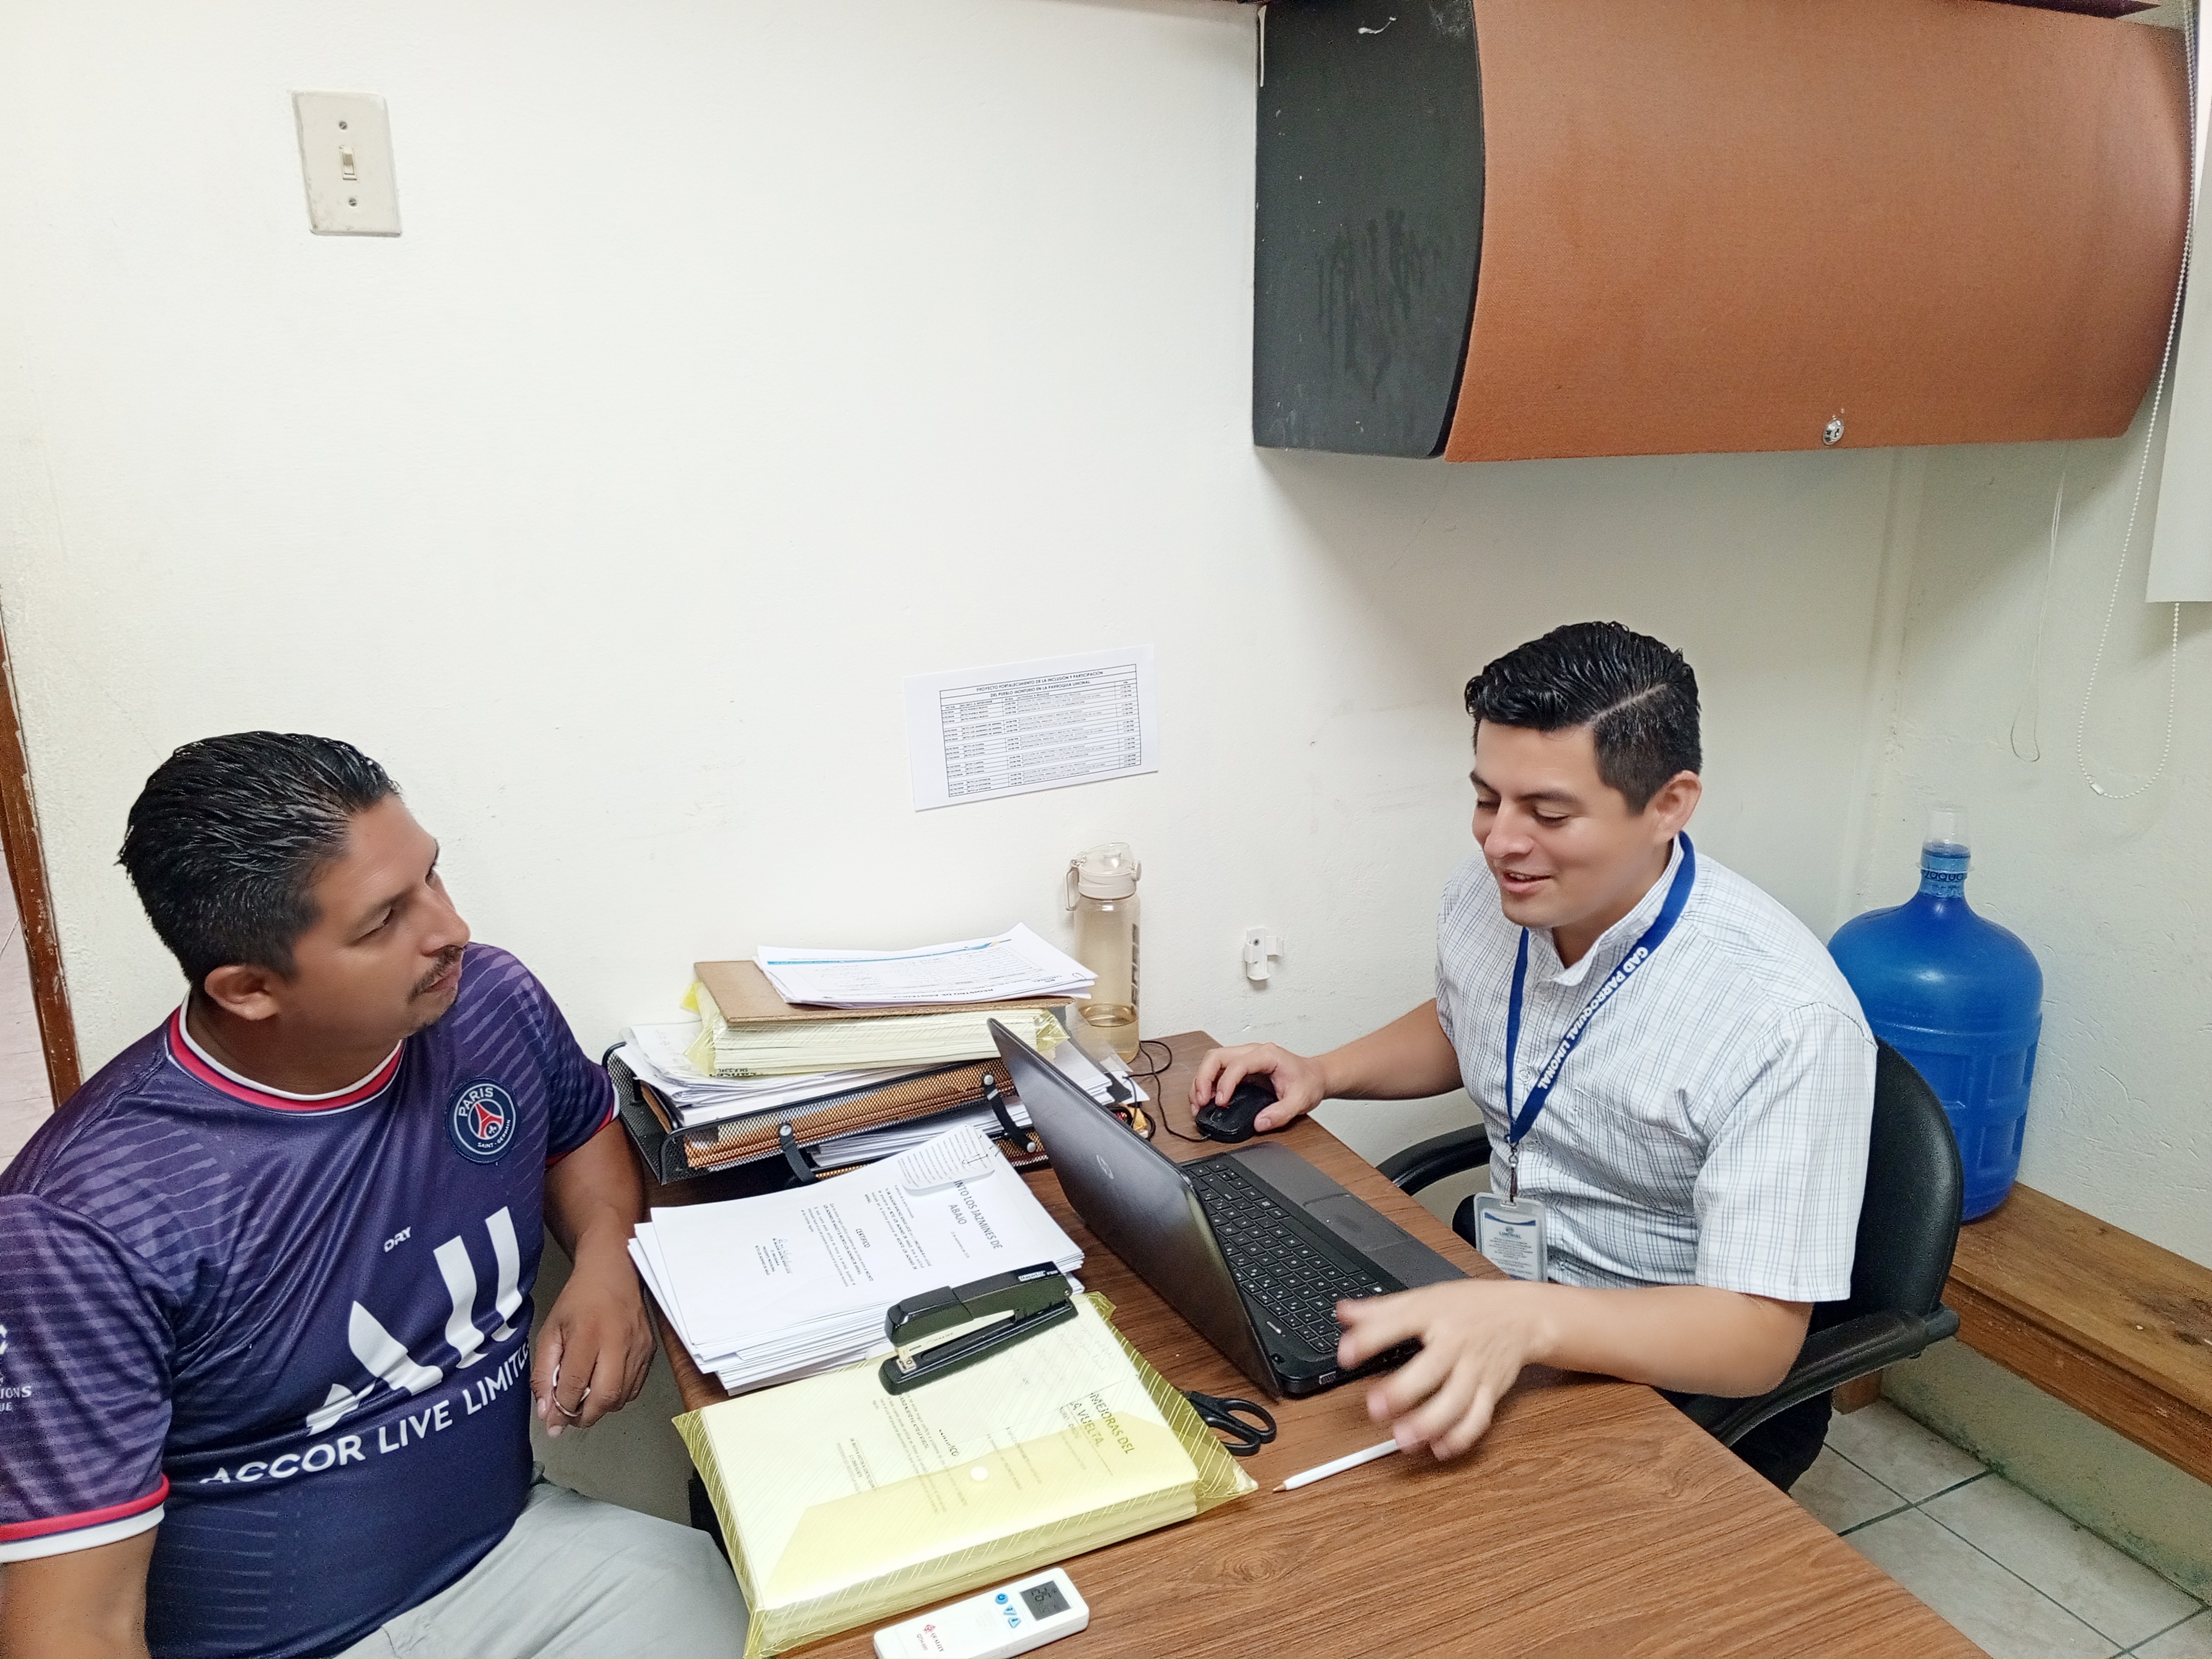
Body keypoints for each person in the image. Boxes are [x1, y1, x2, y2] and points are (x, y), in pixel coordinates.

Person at [0, 734, 745, 1659]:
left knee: (766, 1603)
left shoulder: (487, 1005)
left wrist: (605, 1262)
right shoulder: (80, 1226)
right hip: (289, 1645)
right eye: (384, 919)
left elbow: (578, 1128)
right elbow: (74, 1626)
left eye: (431, 875)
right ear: (250, 988)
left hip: (515, 1554)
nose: (450, 928)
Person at [1191, 622, 1874, 1491]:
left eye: (1549, 814)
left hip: (1677, 1378)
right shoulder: (1495, 893)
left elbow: (1757, 1341)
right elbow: (1466, 1021)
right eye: (1488, 800)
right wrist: (1324, 1072)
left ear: (1669, 804)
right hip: (1505, 1292)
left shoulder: (1787, 1020)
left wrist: (1531, 1320)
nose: (1501, 842)